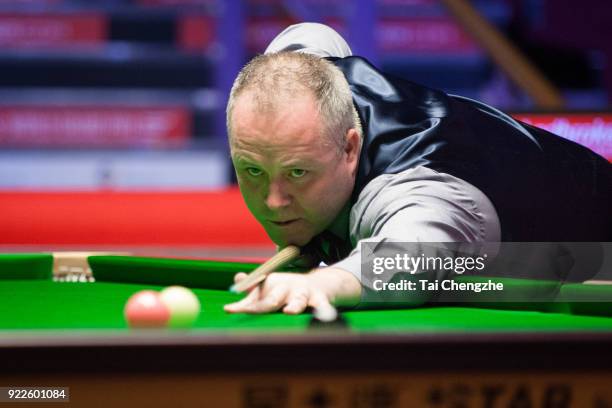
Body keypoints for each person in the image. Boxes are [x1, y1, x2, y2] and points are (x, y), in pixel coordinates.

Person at [223, 23, 612, 315]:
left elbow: (410, 255)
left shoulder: (423, 194)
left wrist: (326, 281)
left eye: (297, 173)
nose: (274, 202)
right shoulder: (315, 75)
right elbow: (311, 34)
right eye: (253, 171)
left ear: (349, 148)